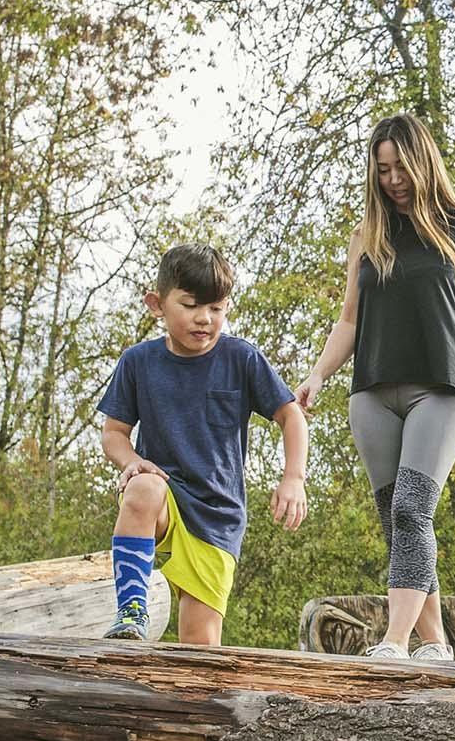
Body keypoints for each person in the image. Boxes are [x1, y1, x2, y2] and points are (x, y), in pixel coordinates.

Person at [296, 112, 455, 661]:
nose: (392, 180)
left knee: (415, 510)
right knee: (398, 522)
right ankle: (435, 642)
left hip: (438, 390)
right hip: (371, 393)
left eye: (401, 168)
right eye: (382, 170)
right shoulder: (368, 236)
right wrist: (319, 373)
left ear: (422, 163)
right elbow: (349, 320)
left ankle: (394, 640)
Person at [98, 243, 308, 645]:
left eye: (216, 308)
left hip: (216, 512)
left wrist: (293, 477)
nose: (205, 319)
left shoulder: (241, 358)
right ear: (156, 304)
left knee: (199, 646)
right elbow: (114, 432)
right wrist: (131, 460)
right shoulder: (138, 362)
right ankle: (131, 612)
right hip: (164, 495)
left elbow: (291, 415)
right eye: (191, 305)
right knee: (141, 487)